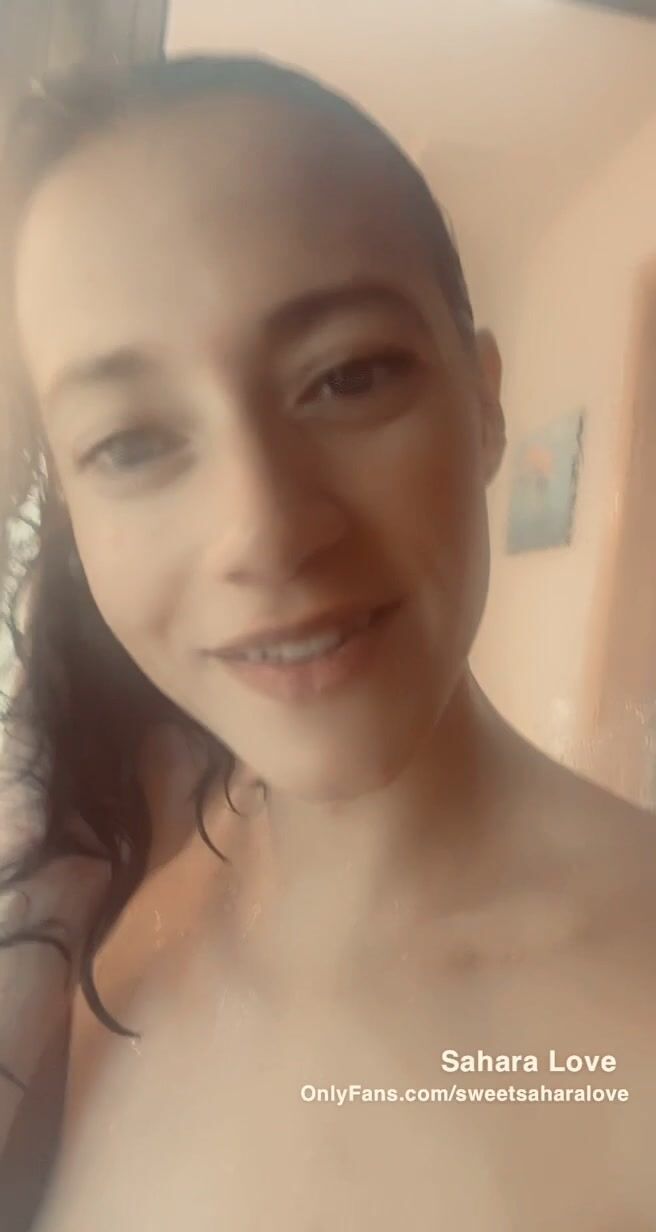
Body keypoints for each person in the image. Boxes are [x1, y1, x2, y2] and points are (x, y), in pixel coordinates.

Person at [0, 53, 654, 1231]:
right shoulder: (100, 915)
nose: (260, 529)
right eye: (132, 442)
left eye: (347, 376)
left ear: (483, 400)